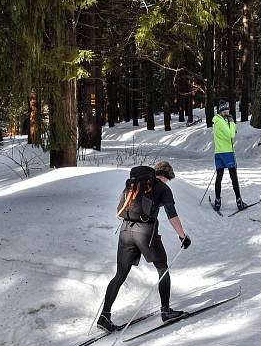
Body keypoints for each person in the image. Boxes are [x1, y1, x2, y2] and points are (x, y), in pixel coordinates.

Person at [98, 161, 192, 332]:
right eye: (167, 180)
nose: (166, 183)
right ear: (165, 176)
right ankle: (166, 311)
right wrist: (182, 236)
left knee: (120, 274)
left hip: (126, 230)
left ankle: (104, 316)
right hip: (146, 232)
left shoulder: (134, 185)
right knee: (163, 267)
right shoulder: (162, 188)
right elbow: (172, 215)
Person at [212, 100, 248, 212]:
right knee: (233, 177)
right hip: (227, 153)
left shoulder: (217, 121)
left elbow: (225, 134)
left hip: (218, 153)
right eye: (225, 110)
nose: (227, 112)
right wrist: (232, 122)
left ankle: (217, 202)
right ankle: (239, 202)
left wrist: (229, 122)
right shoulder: (221, 122)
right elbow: (231, 134)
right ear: (221, 111)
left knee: (219, 177)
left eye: (227, 110)